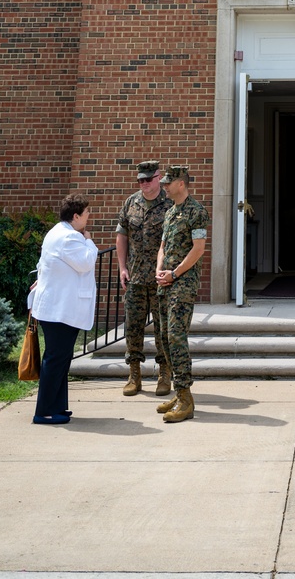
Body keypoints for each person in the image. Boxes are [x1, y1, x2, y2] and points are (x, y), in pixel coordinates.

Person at [29, 193, 98, 425]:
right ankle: (44, 412)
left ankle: (57, 407)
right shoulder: (70, 238)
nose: (89, 216)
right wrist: (88, 240)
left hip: (58, 308)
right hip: (60, 310)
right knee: (56, 359)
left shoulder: (57, 232)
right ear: (76, 215)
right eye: (87, 213)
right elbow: (86, 263)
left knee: (61, 358)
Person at [155, 164, 209, 424]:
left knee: (176, 336)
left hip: (183, 284)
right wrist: (159, 270)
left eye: (168, 182)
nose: (164, 186)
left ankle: (186, 399)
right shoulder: (170, 213)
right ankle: (178, 393)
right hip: (165, 282)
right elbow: (163, 245)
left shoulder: (196, 212)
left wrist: (174, 274)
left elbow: (198, 249)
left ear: (182, 184)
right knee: (165, 338)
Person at [115, 158, 173, 397]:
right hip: (136, 277)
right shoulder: (131, 202)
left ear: (158, 178)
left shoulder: (170, 204)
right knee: (133, 328)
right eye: (140, 180)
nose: (144, 184)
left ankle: (164, 374)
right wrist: (122, 268)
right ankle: (134, 375)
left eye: (148, 179)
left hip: (160, 279)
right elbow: (121, 236)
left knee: (162, 329)